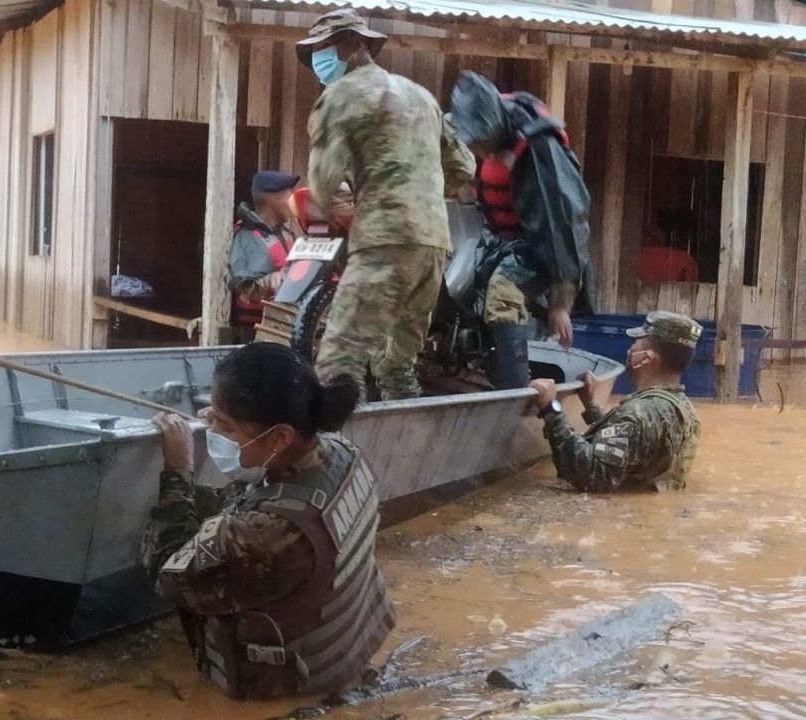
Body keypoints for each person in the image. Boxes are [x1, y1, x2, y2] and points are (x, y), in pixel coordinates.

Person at [142, 342, 395, 699]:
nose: (214, 432)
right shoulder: (342, 452)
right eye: (213, 418)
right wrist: (225, 423)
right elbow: (262, 497)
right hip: (345, 654)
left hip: (286, 687)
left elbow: (166, 573)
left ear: (279, 437)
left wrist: (178, 472)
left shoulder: (262, 534)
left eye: (225, 426)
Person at [297, 9, 476, 400]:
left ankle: (336, 454)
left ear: (352, 44)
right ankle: (407, 452)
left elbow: (324, 185)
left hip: (384, 240)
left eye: (322, 49)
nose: (316, 61)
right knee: (397, 367)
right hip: (433, 246)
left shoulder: (340, 96)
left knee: (337, 366)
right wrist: (419, 194)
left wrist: (357, 202)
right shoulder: (421, 97)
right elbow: (464, 165)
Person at [449, 71, 594, 388]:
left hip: (540, 244)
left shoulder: (540, 148)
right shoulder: (463, 129)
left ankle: (513, 393)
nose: (481, 151)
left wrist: (560, 303)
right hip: (495, 238)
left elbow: (564, 227)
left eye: (484, 145)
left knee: (502, 296)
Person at [530, 311, 702, 493]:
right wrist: (592, 406)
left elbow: (592, 476)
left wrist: (552, 409)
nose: (630, 349)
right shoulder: (683, 407)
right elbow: (634, 447)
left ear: (647, 358)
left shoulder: (638, 414)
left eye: (636, 343)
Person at [228, 171, 300, 330]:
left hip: (285, 328)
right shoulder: (248, 238)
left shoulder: (286, 233)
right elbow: (244, 290)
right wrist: (271, 281)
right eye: (289, 196)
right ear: (272, 201)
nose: (294, 202)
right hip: (256, 333)